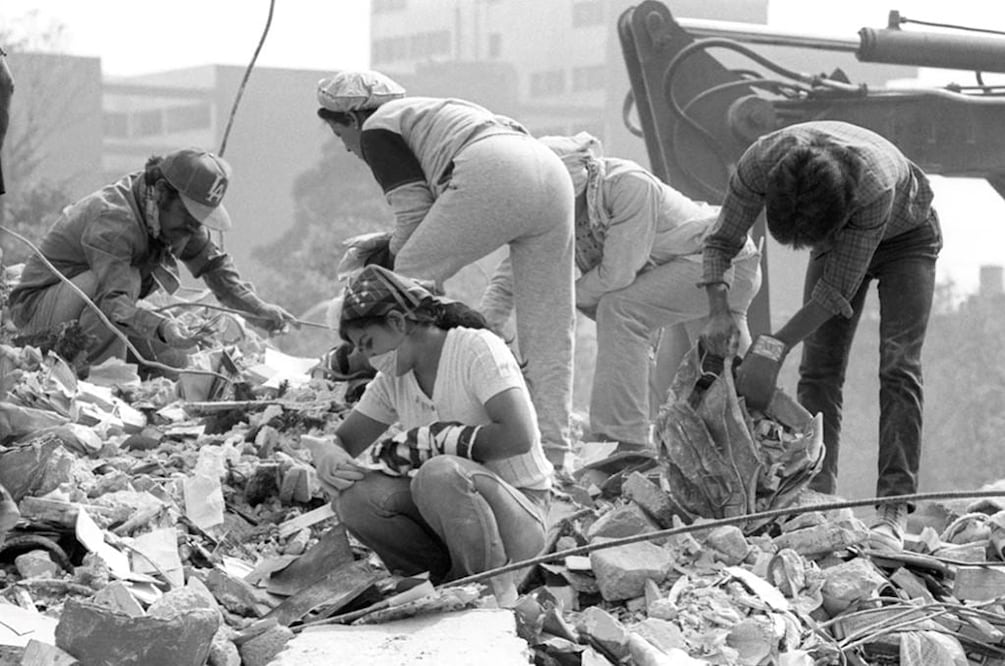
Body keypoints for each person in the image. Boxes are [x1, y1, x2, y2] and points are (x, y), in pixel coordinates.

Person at [314, 69, 576, 471]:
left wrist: (384, 264)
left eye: (340, 136)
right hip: (550, 171)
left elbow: (414, 213)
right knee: (549, 328)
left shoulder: (377, 128)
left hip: (494, 171)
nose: (349, 148)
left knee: (407, 281)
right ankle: (557, 457)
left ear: (351, 119)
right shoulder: (436, 111)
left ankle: (369, 359)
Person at [700, 120, 942, 551]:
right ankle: (816, 495)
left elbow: (834, 294)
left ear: (838, 213)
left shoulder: (874, 187)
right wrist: (718, 310)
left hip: (908, 239)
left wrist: (772, 348)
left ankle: (892, 506)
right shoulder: (760, 162)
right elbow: (721, 241)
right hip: (840, 243)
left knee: (898, 364)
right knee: (818, 368)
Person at [479, 132, 761, 451]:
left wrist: (558, 298)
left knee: (620, 309)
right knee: (707, 385)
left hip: (719, 263)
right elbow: (509, 278)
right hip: (692, 274)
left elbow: (618, 273)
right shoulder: (548, 216)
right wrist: (481, 332)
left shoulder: (627, 185)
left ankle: (621, 438)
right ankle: (763, 443)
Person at [305, 265, 552, 601]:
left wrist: (437, 441)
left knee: (437, 473)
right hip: (453, 518)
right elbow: (345, 440)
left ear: (397, 322)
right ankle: (436, 582)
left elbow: (518, 436)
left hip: (518, 512)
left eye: (369, 344)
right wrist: (329, 453)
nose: (369, 358)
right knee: (355, 497)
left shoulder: (476, 349)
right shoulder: (394, 378)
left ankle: (486, 590)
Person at [7, 148, 297, 368]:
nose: (193, 228)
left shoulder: (171, 214)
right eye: (190, 216)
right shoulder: (114, 221)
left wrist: (257, 309)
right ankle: (96, 383)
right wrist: (163, 326)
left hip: (101, 307)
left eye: (199, 219)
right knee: (131, 286)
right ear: (161, 192)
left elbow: (213, 266)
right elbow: (115, 301)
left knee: (175, 359)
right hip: (37, 316)